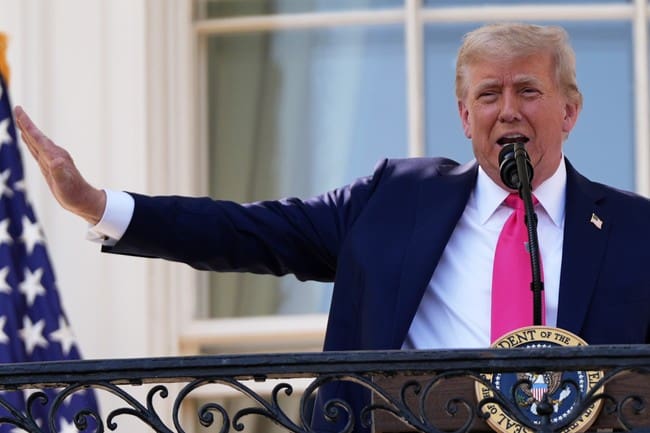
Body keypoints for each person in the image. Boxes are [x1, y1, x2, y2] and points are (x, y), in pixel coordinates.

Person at [13, 22, 650, 431]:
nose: (507, 110)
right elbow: (250, 231)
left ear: (570, 110)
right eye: (488, 95)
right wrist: (99, 204)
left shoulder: (634, 230)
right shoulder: (395, 200)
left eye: (528, 91)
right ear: (464, 116)